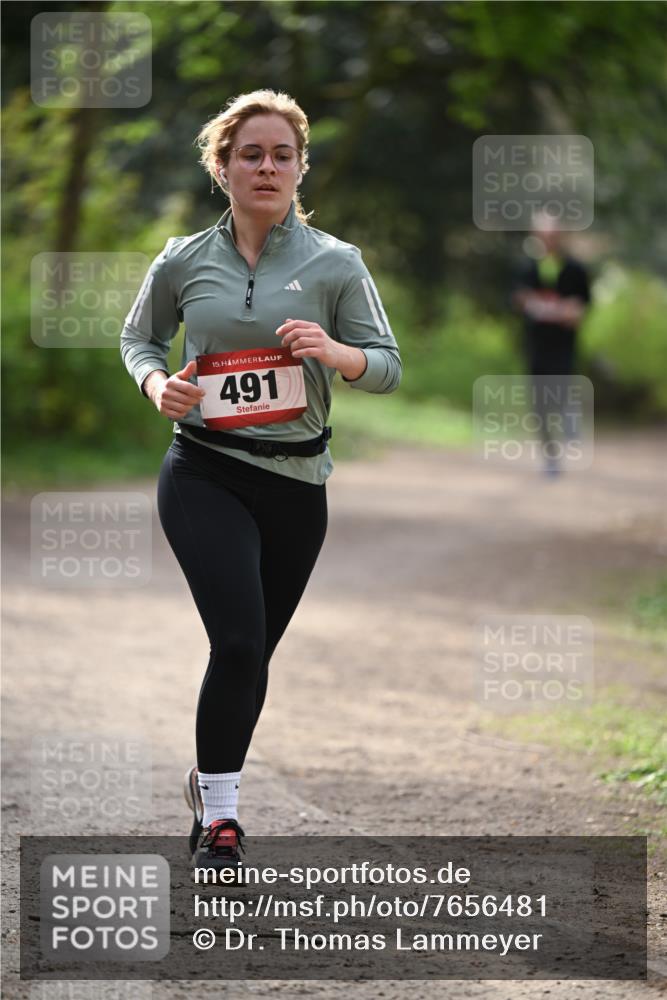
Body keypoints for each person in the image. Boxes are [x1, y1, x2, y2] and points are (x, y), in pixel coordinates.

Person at [120, 89, 402, 871]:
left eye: (282, 154)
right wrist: (154, 385)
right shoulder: (182, 259)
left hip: (296, 483)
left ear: (301, 166)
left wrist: (336, 354)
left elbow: (385, 366)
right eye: (251, 153)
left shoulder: (335, 264)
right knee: (238, 640)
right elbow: (138, 338)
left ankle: (207, 781)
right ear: (222, 166)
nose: (267, 166)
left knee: (251, 657)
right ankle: (223, 820)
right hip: (203, 470)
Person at [512, 212, 591, 475]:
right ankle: (551, 458)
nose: (548, 240)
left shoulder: (576, 270)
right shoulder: (526, 267)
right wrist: (540, 306)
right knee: (540, 405)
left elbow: (580, 309)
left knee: (561, 391)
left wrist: (564, 311)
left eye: (553, 235)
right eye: (543, 235)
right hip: (536, 347)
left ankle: (570, 418)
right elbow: (518, 299)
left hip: (563, 347)